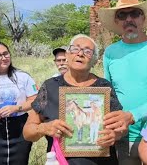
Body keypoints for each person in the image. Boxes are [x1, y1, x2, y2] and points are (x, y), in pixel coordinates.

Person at [23, 34, 128, 165]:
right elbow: (27, 132)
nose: (80, 54)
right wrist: (43, 128)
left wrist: (116, 135)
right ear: (67, 55)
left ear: (94, 60)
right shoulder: (49, 87)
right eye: (75, 49)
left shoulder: (104, 87)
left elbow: (121, 128)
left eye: (87, 51)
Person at [98, 0, 147, 164]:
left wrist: (132, 115)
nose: (129, 19)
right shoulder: (110, 52)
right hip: (121, 135)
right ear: (117, 21)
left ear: (143, 18)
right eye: (122, 15)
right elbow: (108, 95)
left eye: (134, 14)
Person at [0, 41, 38, 165]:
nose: (4, 57)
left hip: (20, 129)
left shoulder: (23, 77)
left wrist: (17, 108)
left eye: (6, 53)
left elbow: (35, 100)